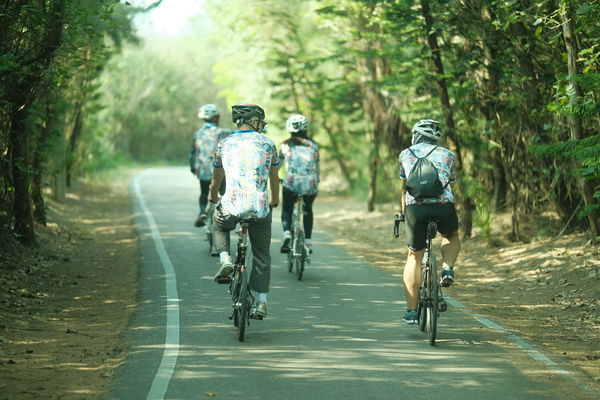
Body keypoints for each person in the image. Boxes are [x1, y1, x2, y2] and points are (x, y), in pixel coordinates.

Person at [210, 103, 280, 319]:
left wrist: (213, 197)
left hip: (231, 205)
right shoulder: (268, 144)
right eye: (260, 121)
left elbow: (216, 179)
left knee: (218, 224)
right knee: (261, 254)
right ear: (253, 120)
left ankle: (225, 259)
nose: (261, 125)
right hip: (259, 208)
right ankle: (261, 303)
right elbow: (274, 178)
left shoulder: (224, 144)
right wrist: (274, 200)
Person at [398, 119, 461, 324]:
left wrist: (404, 213)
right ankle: (447, 268)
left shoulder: (405, 154)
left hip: (416, 209)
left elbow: (405, 187)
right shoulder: (447, 154)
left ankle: (410, 311)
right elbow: (450, 184)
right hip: (443, 206)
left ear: (415, 135)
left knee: (414, 256)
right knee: (450, 235)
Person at [278, 114, 320, 254]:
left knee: (287, 210)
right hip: (310, 183)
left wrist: (275, 177)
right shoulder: (314, 146)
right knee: (307, 209)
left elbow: (277, 166)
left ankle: (287, 234)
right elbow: (317, 168)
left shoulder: (285, 145)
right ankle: (308, 242)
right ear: (306, 128)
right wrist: (316, 181)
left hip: (292, 182)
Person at [189, 104, 230, 227]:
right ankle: (224, 213)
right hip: (219, 170)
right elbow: (238, 133)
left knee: (204, 192)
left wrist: (192, 167)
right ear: (215, 118)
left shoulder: (197, 134)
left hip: (203, 170)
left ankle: (202, 212)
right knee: (224, 192)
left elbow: (192, 153)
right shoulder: (222, 132)